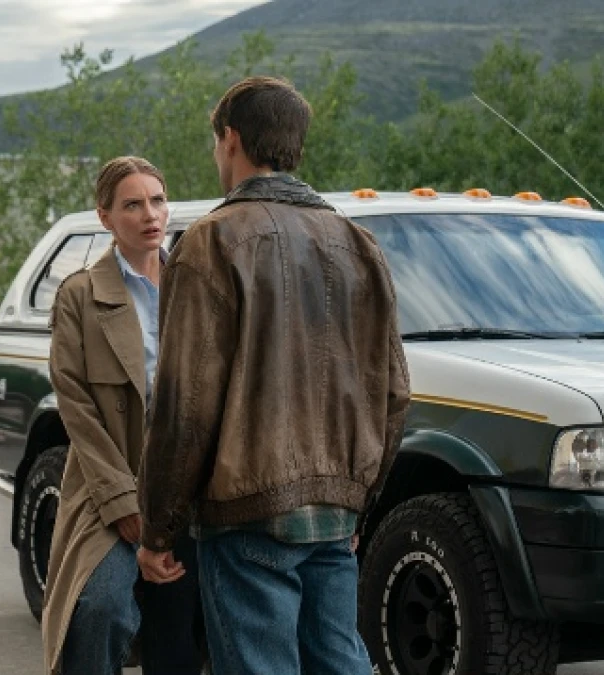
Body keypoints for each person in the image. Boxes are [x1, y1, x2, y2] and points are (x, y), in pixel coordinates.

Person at [136, 76, 412, 674]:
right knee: (340, 662)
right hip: (334, 515)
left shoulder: (210, 241)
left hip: (246, 516)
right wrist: (359, 503)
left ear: (231, 139)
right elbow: (393, 394)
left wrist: (158, 529)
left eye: (217, 143)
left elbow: (184, 406)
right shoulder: (361, 245)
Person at [41, 156, 205, 675]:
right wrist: (122, 504)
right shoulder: (79, 296)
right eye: (132, 204)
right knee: (100, 608)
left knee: (181, 626)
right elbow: (77, 409)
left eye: (157, 200)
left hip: (190, 487)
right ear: (105, 216)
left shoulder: (196, 286)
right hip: (108, 486)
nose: (149, 215)